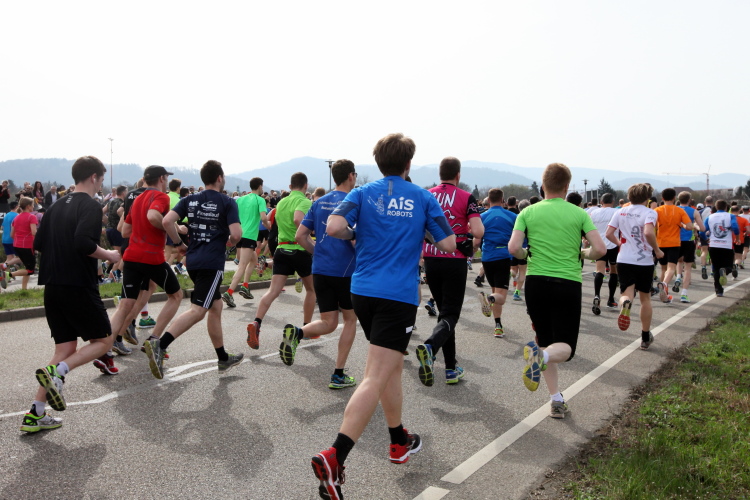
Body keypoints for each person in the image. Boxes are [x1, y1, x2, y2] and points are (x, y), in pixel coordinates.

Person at [311, 133, 455, 499]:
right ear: (408, 164)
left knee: (389, 366)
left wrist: (358, 232)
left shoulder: (362, 193)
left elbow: (334, 227)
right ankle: (335, 455)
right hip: (397, 295)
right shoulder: (422, 197)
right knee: (375, 375)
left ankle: (397, 440)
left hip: (362, 290)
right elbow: (448, 243)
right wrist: (421, 231)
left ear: (378, 163)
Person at [20, 156, 121, 433]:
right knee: (104, 340)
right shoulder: (90, 205)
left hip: (52, 285)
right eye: (101, 180)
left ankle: (35, 413)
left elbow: (39, 243)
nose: (101, 185)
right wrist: (109, 254)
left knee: (64, 350)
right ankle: (58, 372)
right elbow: (83, 243)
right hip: (77, 284)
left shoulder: (54, 207)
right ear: (94, 177)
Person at [508, 163, 605, 419]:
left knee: (546, 342)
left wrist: (526, 254)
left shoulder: (527, 212)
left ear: (543, 186)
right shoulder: (579, 213)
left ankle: (556, 399)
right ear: (567, 187)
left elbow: (514, 248)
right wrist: (584, 253)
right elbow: (600, 250)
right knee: (565, 349)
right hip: (567, 283)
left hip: (536, 283)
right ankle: (541, 357)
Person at [144, 160, 244, 378]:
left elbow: (167, 221)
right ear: (219, 178)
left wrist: (178, 243)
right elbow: (236, 234)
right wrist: (231, 241)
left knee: (216, 306)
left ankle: (223, 358)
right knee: (198, 311)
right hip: (212, 263)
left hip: (193, 261)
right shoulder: (227, 202)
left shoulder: (189, 199)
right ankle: (160, 344)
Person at [279, 160, 359, 389]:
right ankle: (338, 374)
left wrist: (318, 252)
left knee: (329, 322)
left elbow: (300, 236)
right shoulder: (354, 201)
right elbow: (355, 239)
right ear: (351, 176)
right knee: (350, 319)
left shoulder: (319, 202)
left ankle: (297, 333)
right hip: (345, 270)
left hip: (321, 269)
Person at [107, 166, 185, 369]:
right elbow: (153, 216)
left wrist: (148, 228)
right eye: (166, 178)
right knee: (176, 295)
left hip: (131, 256)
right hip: (152, 257)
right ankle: (154, 339)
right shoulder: (160, 196)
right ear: (162, 178)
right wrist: (175, 238)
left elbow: (125, 231)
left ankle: (104, 350)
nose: (166, 181)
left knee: (125, 304)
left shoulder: (137, 198)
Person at [417, 156, 483, 386]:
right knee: (451, 314)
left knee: (445, 313)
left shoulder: (426, 195)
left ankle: (451, 368)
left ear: (440, 174)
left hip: (431, 257)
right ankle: (430, 346)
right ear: (458, 175)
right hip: (454, 258)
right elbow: (479, 231)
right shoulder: (466, 197)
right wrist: (467, 232)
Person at [246, 173, 314, 350]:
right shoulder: (305, 201)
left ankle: (256, 322)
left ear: (290, 186)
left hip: (281, 249)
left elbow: (270, 221)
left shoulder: (281, 202)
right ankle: (307, 328)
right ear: (306, 186)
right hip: (299, 249)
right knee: (311, 289)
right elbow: (298, 219)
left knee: (272, 291)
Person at [605, 183, 663, 352]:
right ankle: (645, 337)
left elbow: (608, 233)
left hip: (624, 259)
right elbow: (648, 232)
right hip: (644, 261)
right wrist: (657, 250)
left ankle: (625, 303)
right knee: (645, 298)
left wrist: (620, 244)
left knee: (626, 293)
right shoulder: (650, 212)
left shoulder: (620, 211)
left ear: (629, 196)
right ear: (648, 198)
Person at [222, 177, 269, 306]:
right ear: (260, 186)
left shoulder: (240, 199)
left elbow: (232, 216)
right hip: (250, 236)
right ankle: (229, 293)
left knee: (254, 260)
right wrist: (269, 226)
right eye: (262, 186)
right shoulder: (260, 200)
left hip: (239, 234)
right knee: (242, 266)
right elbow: (264, 218)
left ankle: (245, 286)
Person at [476, 188, 516, 338]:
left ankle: (498, 325)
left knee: (495, 291)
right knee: (501, 297)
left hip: (487, 258)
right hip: (503, 256)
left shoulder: (482, 217)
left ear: (488, 200)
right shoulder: (512, 216)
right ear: (502, 199)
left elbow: (477, 238)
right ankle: (489, 299)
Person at [654, 188, 693, 303]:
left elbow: (652, 226)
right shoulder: (679, 211)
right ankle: (664, 284)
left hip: (660, 242)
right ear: (674, 198)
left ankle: (664, 294)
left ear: (662, 198)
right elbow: (689, 226)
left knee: (663, 269)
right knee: (671, 268)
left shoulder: (657, 210)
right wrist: (681, 224)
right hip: (674, 243)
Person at [588, 193, 620, 314]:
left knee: (599, 271)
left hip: (599, 244)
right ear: (613, 201)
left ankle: (597, 295)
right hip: (613, 244)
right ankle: (611, 299)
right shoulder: (616, 212)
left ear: (601, 201)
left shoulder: (594, 213)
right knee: (613, 271)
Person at [673, 191, 705, 303]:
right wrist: (695, 226)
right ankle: (684, 294)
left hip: (675, 240)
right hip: (688, 241)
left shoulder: (674, 209)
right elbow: (702, 228)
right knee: (687, 267)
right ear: (689, 200)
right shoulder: (694, 211)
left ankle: (678, 277)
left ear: (678, 199)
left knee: (678, 261)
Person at [703, 200, 740, 296]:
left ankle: (718, 290)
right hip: (726, 246)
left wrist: (706, 239)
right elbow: (736, 228)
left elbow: (702, 230)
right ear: (726, 207)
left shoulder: (710, 217)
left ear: (716, 207)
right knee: (729, 266)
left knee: (716, 268)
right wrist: (737, 238)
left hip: (714, 245)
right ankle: (725, 270)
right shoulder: (730, 216)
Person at [8, 197, 38, 289]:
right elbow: (34, 232)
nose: (33, 207)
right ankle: (8, 275)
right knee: (30, 270)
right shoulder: (32, 217)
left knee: (27, 267)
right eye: (32, 205)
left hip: (17, 245)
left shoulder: (16, 217)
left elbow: (12, 234)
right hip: (27, 246)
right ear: (28, 206)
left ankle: (24, 289)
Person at [729, 205, 749, 279]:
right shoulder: (744, 220)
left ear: (731, 211)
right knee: (738, 256)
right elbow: (748, 230)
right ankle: (736, 265)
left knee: (731, 255)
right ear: (738, 211)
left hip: (729, 239)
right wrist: (745, 234)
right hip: (740, 239)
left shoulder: (728, 219)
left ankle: (730, 267)